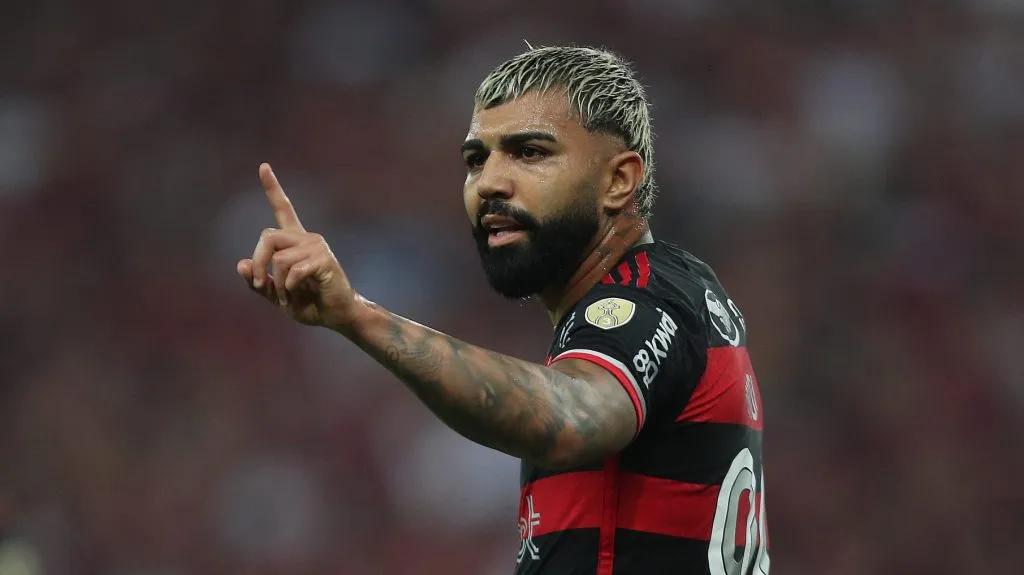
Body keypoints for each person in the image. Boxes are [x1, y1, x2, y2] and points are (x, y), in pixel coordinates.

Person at [238, 45, 770, 575]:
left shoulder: (646, 299)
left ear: (619, 180)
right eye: (476, 159)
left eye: (530, 152)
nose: (489, 182)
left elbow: (571, 419)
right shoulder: (669, 298)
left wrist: (356, 316)